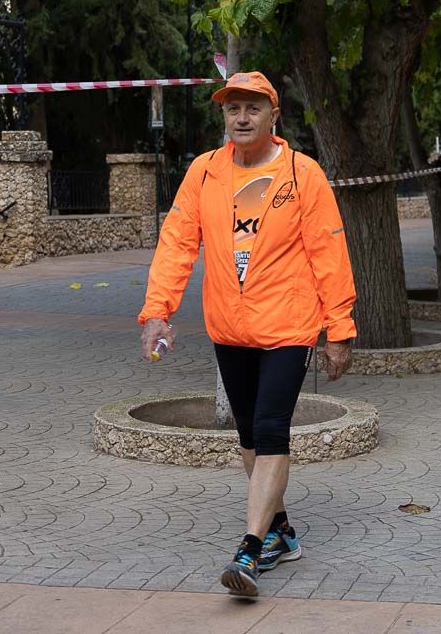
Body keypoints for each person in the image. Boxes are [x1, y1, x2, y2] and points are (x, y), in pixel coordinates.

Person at [138, 71, 356, 598]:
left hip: (289, 324)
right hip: (231, 327)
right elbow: (176, 243)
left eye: (252, 108)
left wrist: (339, 328)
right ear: (223, 116)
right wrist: (157, 310)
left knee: (271, 425)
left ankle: (250, 550)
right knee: (248, 436)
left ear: (273, 115)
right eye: (232, 108)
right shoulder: (205, 172)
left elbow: (329, 252)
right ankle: (281, 531)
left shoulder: (303, 175)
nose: (241, 117)